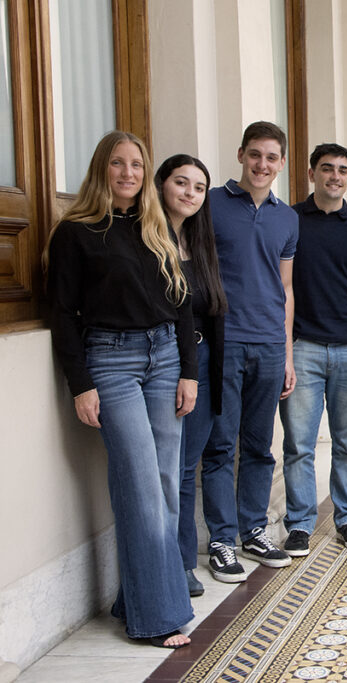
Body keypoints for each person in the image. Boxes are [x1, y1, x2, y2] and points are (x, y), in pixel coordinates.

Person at [46, 131, 196, 649]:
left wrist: (189, 372)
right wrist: (80, 385)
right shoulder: (76, 232)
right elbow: (63, 315)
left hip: (165, 359)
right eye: (118, 163)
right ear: (101, 169)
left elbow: (182, 307)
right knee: (140, 485)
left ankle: (140, 597)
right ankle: (157, 617)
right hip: (110, 362)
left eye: (136, 164)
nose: (129, 173)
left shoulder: (156, 228)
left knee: (165, 482)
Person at [202, 121, 299, 582]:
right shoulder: (212, 203)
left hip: (268, 344)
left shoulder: (287, 216)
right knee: (220, 444)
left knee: (259, 447)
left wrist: (287, 354)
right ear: (241, 154)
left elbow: (286, 286)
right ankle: (220, 539)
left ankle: (253, 530)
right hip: (224, 343)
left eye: (272, 157)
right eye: (255, 154)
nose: (263, 164)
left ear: (281, 163)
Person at [280, 143, 347, 555]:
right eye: (327, 169)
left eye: (343, 170)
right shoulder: (289, 220)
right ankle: (300, 525)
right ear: (311, 174)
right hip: (302, 347)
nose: (335, 176)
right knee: (299, 445)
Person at [156, 154, 227, 600]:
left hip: (199, 362)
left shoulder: (198, 245)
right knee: (165, 471)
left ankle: (182, 562)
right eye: (181, 183)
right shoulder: (150, 239)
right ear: (161, 185)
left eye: (198, 188)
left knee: (185, 470)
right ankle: (170, 565)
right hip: (164, 363)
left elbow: (212, 311)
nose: (189, 193)